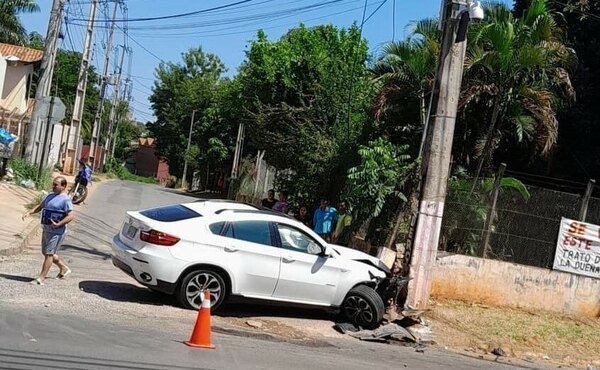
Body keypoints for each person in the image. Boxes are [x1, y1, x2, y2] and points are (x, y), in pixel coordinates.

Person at [22, 176, 75, 285]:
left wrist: (58, 224)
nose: (54, 186)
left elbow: (70, 216)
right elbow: (41, 206)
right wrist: (30, 212)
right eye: (53, 184)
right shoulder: (50, 196)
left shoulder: (65, 200)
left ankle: (41, 278)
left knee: (49, 254)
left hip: (57, 231)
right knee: (47, 253)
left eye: (56, 185)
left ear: (63, 186)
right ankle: (63, 268)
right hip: (46, 229)